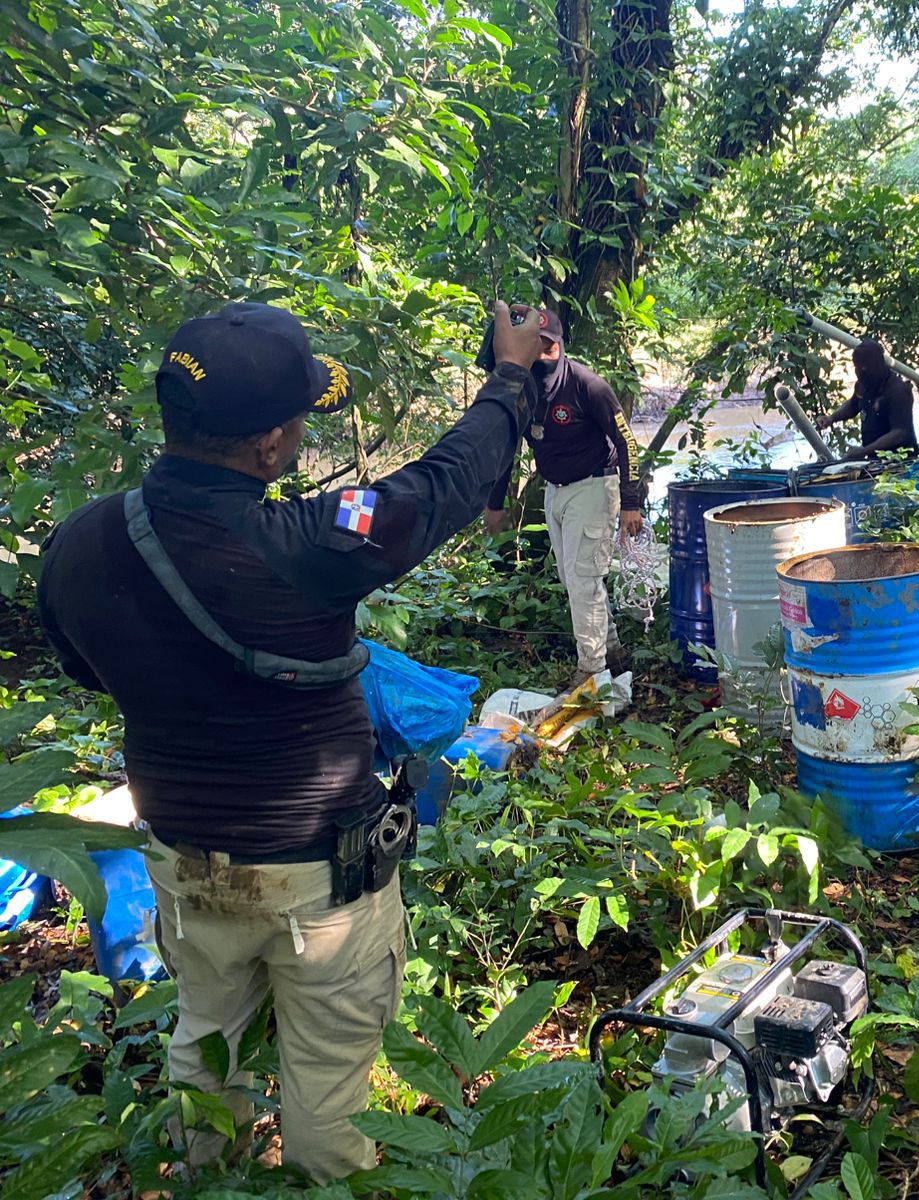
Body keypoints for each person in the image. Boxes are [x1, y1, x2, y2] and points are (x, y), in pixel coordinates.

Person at [36, 301, 542, 1180]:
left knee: (205, 1043)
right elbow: (445, 482)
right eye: (300, 419)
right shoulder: (309, 542)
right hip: (318, 879)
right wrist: (509, 377)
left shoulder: (80, 543)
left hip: (184, 864)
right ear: (269, 447)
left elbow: (88, 672)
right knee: (328, 1097)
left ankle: (208, 1180)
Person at [481, 307, 643, 688]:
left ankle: (591, 672)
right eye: (534, 350)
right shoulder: (522, 393)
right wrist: (495, 503)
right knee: (574, 580)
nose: (543, 358)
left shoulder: (588, 386)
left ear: (560, 346)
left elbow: (627, 442)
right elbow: (505, 448)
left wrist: (631, 502)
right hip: (556, 492)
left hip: (594, 486)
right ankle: (613, 651)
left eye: (549, 349)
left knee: (584, 580)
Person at [816, 339, 917, 460]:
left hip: (900, 458)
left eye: (863, 368)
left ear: (876, 365)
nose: (859, 372)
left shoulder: (897, 391)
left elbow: (899, 433)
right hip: (874, 459)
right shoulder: (862, 385)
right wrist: (831, 418)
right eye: (857, 368)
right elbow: (853, 406)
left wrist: (864, 451)